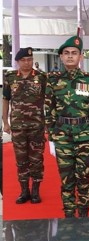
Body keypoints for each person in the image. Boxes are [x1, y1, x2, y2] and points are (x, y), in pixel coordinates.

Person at [45, 35, 89, 217]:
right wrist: (51, 139)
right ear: (61, 57)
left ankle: (84, 218)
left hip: (86, 136)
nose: (70, 56)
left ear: (81, 57)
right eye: (66, 53)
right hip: (62, 137)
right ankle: (69, 218)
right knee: (66, 181)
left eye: (74, 53)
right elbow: (49, 110)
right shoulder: (53, 81)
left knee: (84, 180)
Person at [2, 47, 48, 204]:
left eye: (29, 59)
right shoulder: (10, 77)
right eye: (23, 60)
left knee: (36, 159)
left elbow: (49, 100)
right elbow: (6, 100)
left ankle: (35, 191)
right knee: (21, 160)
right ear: (18, 62)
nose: (27, 62)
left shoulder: (41, 77)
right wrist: (5, 122)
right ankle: (24, 191)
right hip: (18, 127)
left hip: (37, 127)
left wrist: (49, 120)